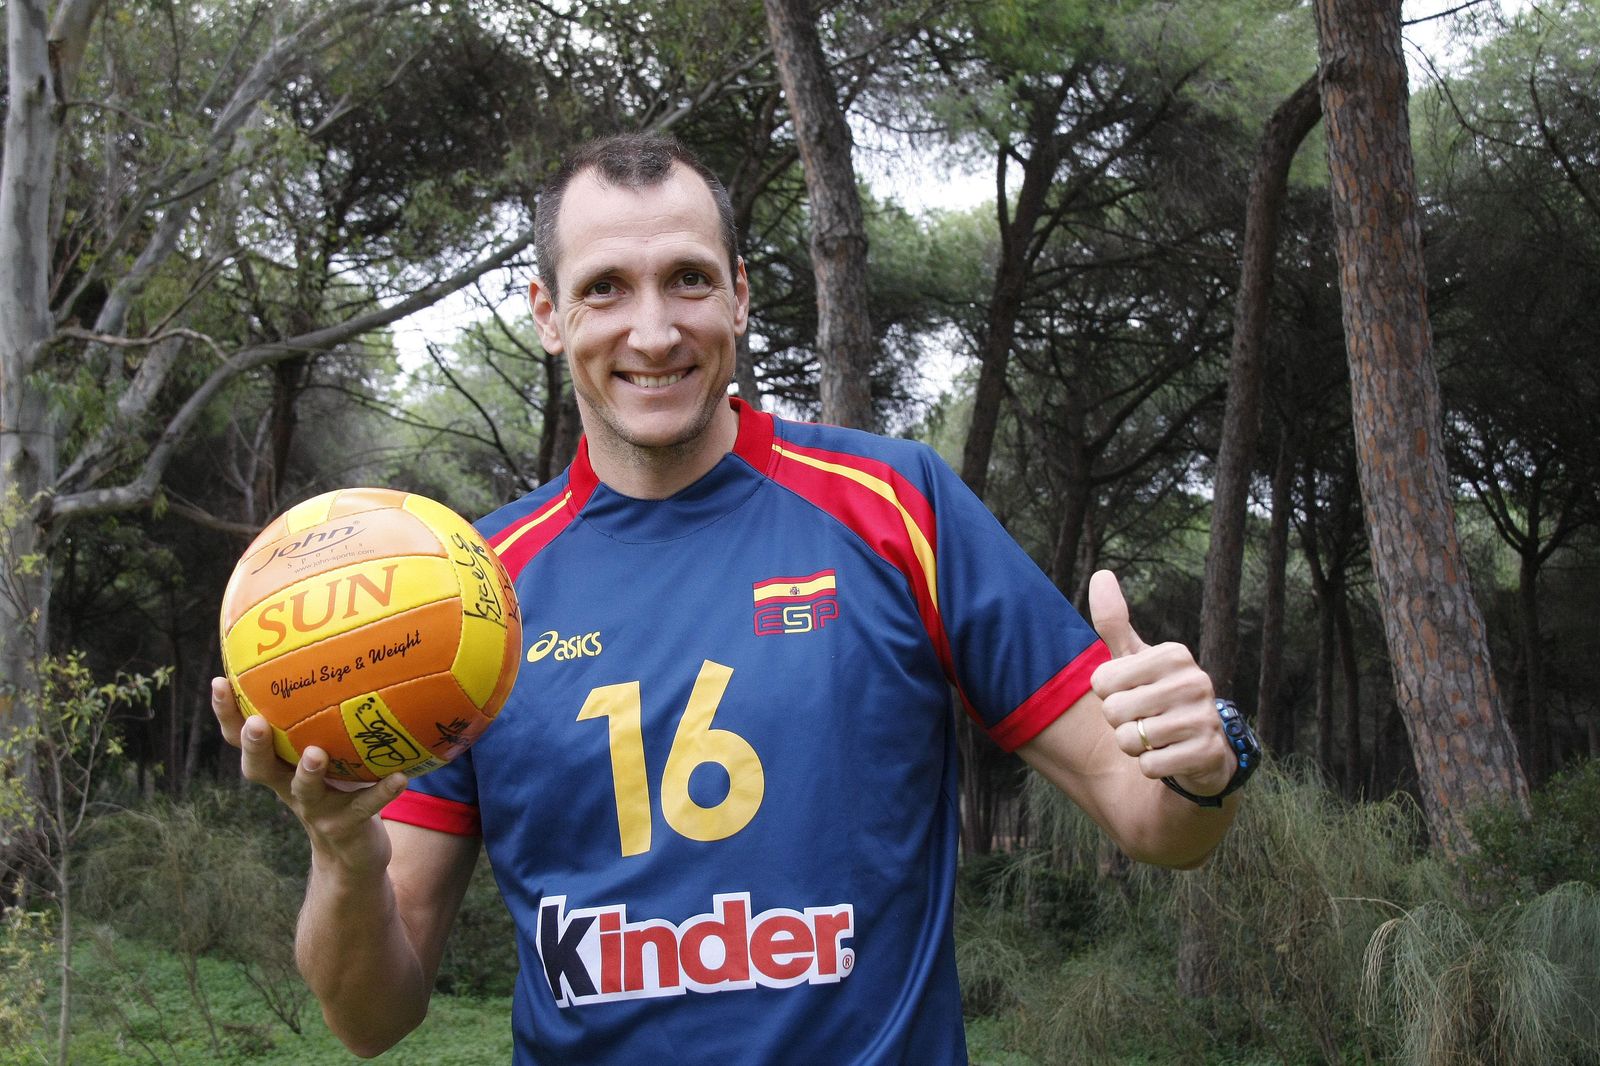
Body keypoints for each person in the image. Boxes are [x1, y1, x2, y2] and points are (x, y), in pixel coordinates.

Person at [211, 133, 1256, 1064]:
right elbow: (370, 1020)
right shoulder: (469, 600)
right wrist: (342, 852)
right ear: (546, 315)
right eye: (605, 288)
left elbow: (1156, 821)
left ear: (741, 296)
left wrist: (1202, 760)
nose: (654, 331)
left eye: (688, 280)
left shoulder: (895, 506)